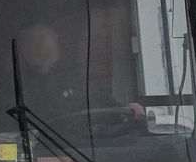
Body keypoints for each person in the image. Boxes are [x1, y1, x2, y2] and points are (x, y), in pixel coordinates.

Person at [12, 22, 143, 122]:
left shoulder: (80, 75)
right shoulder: (21, 88)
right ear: (22, 52)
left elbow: (107, 108)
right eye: (29, 43)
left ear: (54, 37)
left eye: (41, 39)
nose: (38, 47)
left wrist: (127, 110)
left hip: (93, 150)